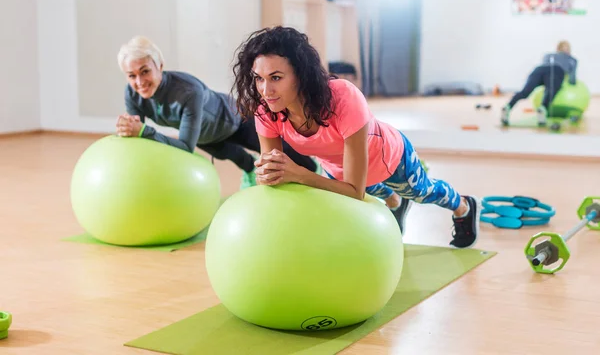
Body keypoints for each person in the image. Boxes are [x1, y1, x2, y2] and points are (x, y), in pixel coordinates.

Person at [231, 26, 480, 249]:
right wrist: (268, 174)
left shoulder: (342, 97)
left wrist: (299, 174)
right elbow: (274, 173)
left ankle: (463, 206)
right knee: (370, 192)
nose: (265, 90)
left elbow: (353, 193)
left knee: (423, 192)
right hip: (340, 170)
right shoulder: (266, 109)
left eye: (276, 78)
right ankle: (395, 202)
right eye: (258, 79)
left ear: (301, 75)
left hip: (388, 158)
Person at [115, 35, 319, 189]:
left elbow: (184, 146)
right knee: (230, 155)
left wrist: (143, 131)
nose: (139, 82)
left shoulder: (187, 91)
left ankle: (314, 169)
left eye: (145, 71)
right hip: (204, 133)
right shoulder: (131, 94)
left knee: (279, 154)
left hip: (234, 119)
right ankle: (250, 171)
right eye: (131, 75)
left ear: (159, 65)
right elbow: (137, 135)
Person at [502, 40, 577, 126]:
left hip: (539, 69)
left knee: (525, 92)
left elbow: (545, 66)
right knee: (551, 90)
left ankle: (508, 106)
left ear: (558, 49)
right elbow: (572, 79)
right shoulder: (572, 60)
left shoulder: (548, 55)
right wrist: (568, 82)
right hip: (556, 70)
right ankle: (542, 109)